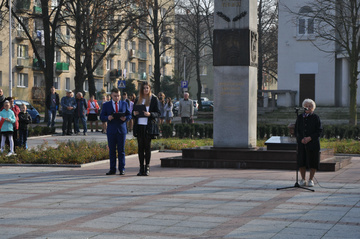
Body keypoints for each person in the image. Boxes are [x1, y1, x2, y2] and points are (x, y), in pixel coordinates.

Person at [100, 88, 131, 175]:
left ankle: (122, 169)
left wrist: (125, 118)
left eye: (118, 96)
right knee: (112, 150)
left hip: (121, 130)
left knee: (121, 150)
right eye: (115, 96)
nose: (117, 97)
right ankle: (112, 169)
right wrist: (107, 118)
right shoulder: (106, 105)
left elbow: (129, 114)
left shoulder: (124, 103)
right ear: (111, 96)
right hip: (111, 130)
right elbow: (102, 116)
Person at [133, 82, 160, 176]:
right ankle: (141, 168)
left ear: (150, 89)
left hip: (148, 127)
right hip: (139, 126)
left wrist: (150, 114)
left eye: (147, 88)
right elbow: (134, 111)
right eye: (144, 88)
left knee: (147, 147)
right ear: (141, 90)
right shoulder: (138, 99)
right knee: (140, 148)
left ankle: (147, 167)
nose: (146, 90)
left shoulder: (154, 99)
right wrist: (134, 114)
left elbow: (158, 113)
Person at [295, 99, 323, 187]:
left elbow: (319, 131)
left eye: (310, 106)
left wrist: (310, 138)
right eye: (306, 106)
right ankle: (303, 179)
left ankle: (311, 179)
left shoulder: (316, 117)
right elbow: (296, 130)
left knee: (313, 161)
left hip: (313, 143)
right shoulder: (300, 117)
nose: (308, 107)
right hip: (302, 143)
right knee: (301, 161)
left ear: (313, 108)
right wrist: (300, 139)